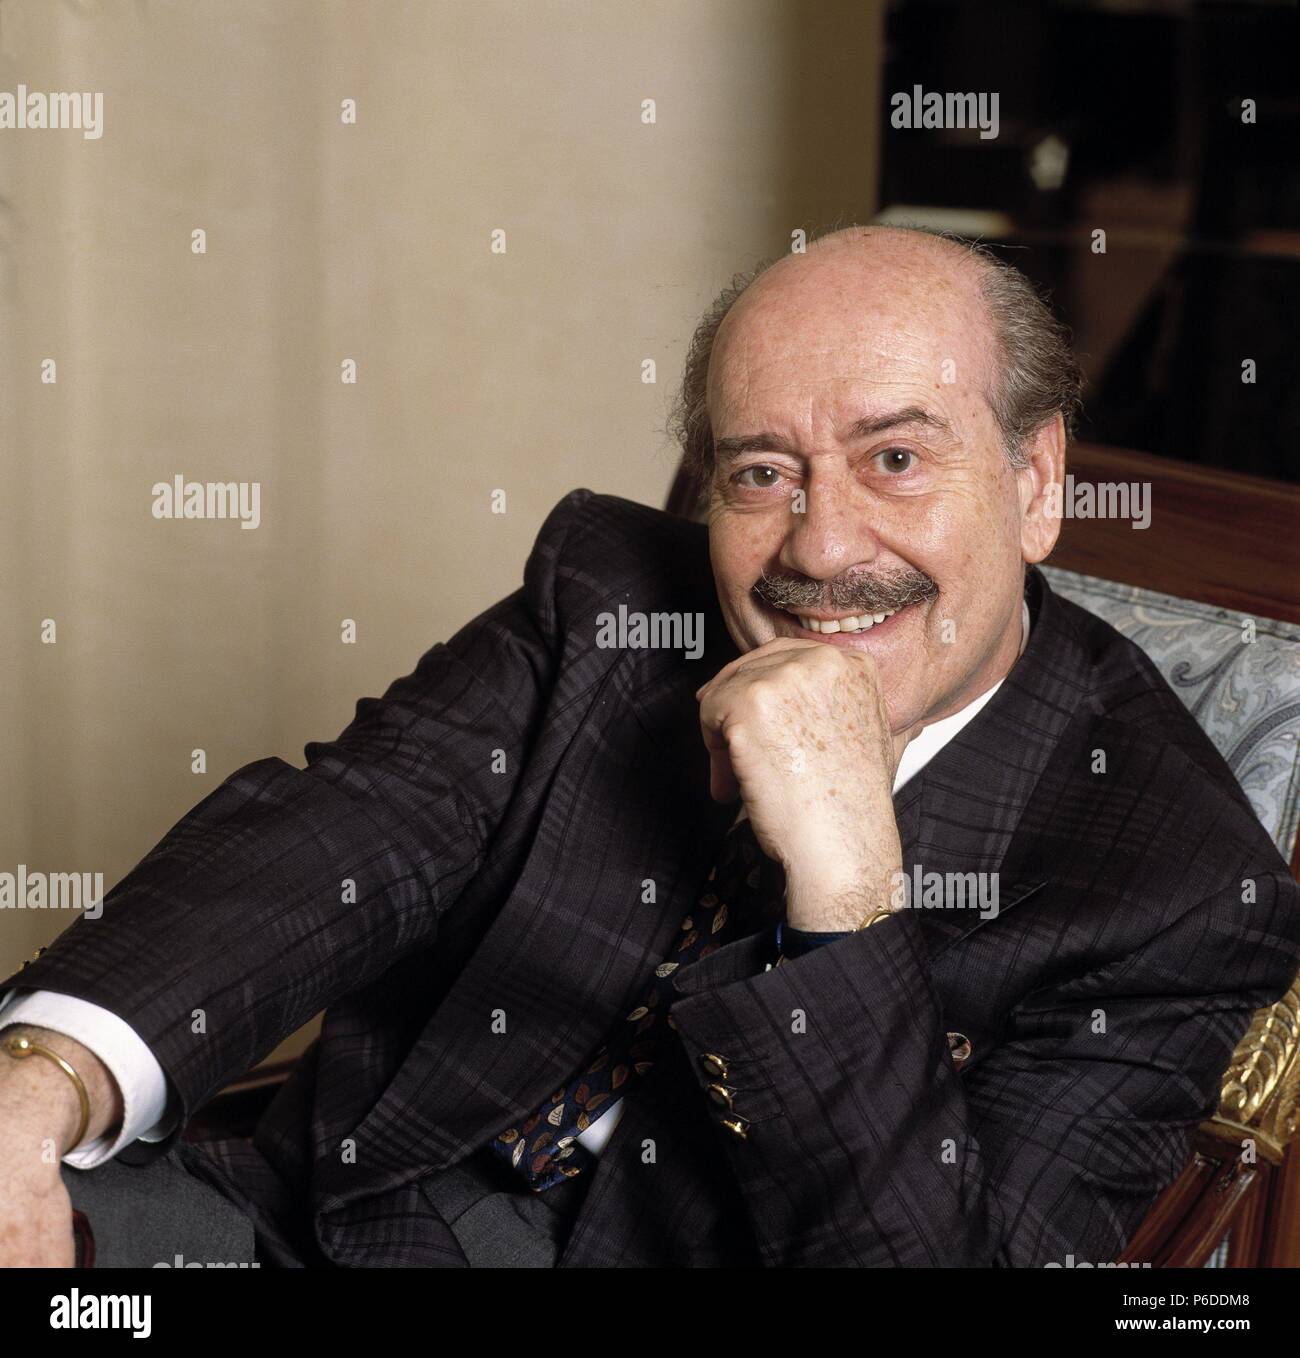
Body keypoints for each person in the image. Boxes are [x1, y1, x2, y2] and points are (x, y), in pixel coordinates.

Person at [2, 226, 1297, 1268]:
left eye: (894, 456)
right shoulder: (614, 596)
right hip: (309, 1218)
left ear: (1036, 482)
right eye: (760, 473)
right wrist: (44, 1073)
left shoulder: (1176, 893)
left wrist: (849, 906)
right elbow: (344, 830)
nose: (820, 545)